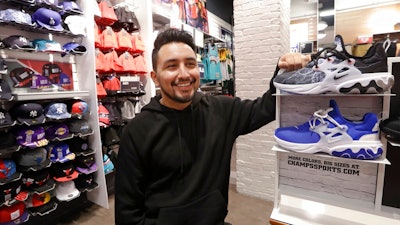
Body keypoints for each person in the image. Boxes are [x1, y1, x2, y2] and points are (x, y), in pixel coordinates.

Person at [115, 28, 310, 225]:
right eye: (172, 66)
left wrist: (285, 74)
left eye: (190, 64)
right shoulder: (137, 131)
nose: (184, 74)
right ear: (155, 77)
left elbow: (266, 107)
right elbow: (127, 213)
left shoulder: (222, 111)